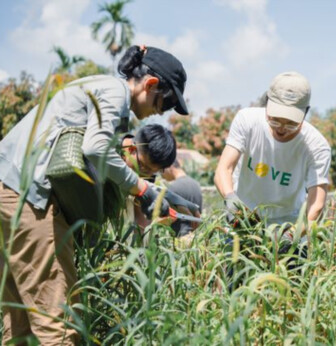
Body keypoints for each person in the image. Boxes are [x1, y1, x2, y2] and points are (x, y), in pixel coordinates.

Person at [0, 45, 189, 344]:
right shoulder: (116, 93)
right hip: (30, 200)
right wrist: (140, 188)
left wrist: (150, 191)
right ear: (151, 84)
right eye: (163, 104)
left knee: (19, 318)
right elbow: (95, 148)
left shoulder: (96, 85)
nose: (160, 113)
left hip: (7, 191)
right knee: (58, 319)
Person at [214, 71, 331, 233]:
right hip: (243, 216)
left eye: (291, 123)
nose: (281, 128)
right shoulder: (247, 120)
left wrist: (293, 235)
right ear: (267, 103)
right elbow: (223, 169)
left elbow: (316, 203)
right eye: (275, 119)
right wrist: (230, 199)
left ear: (305, 112)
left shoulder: (316, 146)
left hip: (286, 224)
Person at [120, 127, 200, 236]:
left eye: (154, 171)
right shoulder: (106, 153)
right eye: (144, 167)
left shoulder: (146, 170)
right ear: (132, 149)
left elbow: (140, 217)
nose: (145, 175)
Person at [161, 160, 203, 237]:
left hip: (179, 238)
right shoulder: (196, 184)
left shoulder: (173, 188)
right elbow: (199, 213)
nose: (161, 174)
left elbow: (168, 217)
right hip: (195, 236)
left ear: (170, 167)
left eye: (162, 170)